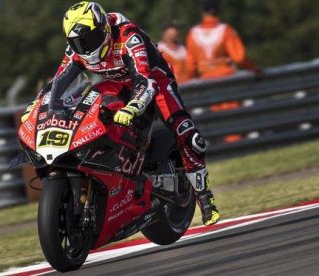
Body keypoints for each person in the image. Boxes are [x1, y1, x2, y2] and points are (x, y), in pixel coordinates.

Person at [22, 1, 219, 226]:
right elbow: (58, 81)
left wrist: (133, 106)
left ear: (105, 29)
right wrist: (36, 106)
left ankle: (204, 197)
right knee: (91, 105)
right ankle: (110, 168)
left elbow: (144, 79)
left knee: (186, 132)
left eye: (88, 39)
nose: (84, 47)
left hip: (155, 82)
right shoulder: (76, 50)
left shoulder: (128, 38)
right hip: (117, 84)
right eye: (77, 42)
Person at [185, 0, 261, 80]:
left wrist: (191, 81)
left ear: (202, 12)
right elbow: (239, 58)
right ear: (218, 12)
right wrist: (253, 68)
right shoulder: (226, 30)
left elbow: (190, 66)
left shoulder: (193, 33)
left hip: (205, 80)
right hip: (226, 78)